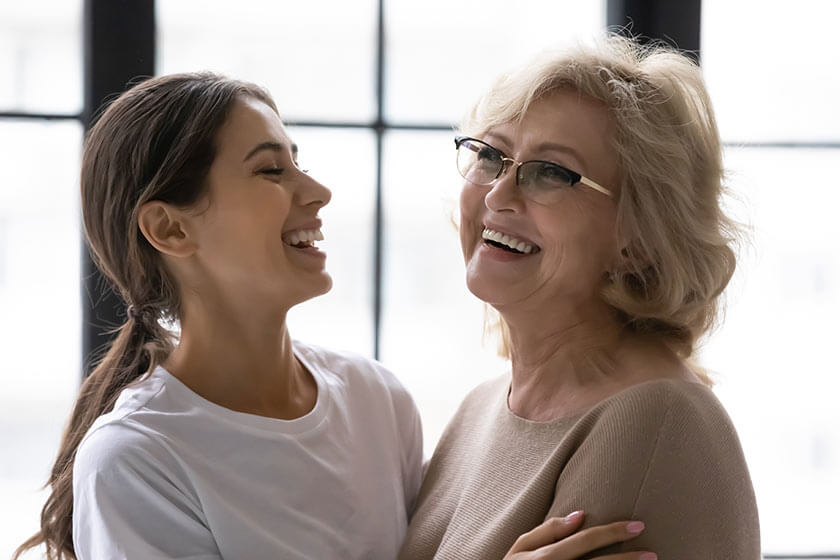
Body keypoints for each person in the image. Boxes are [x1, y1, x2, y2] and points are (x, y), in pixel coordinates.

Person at [14, 72, 652, 560]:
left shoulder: (377, 402)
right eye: (270, 170)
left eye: (298, 161)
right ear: (170, 228)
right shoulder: (138, 460)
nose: (316, 192)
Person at [399, 35, 761, 559]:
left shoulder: (658, 420)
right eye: (491, 156)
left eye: (550, 172)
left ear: (637, 239)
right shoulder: (479, 409)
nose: (499, 194)